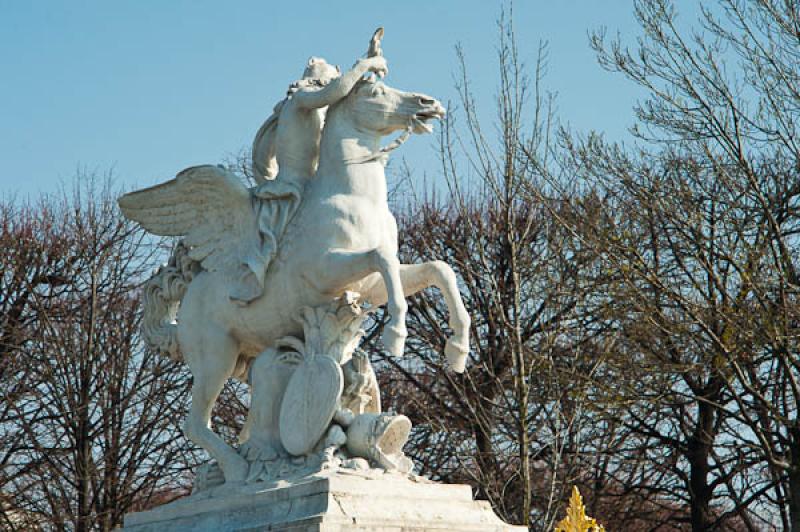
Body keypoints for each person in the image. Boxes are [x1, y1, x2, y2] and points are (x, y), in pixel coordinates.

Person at [230, 53, 388, 303]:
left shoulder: (320, 112)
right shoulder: (301, 100)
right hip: (294, 189)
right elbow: (335, 92)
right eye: (331, 79)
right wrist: (364, 65)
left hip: (315, 187)